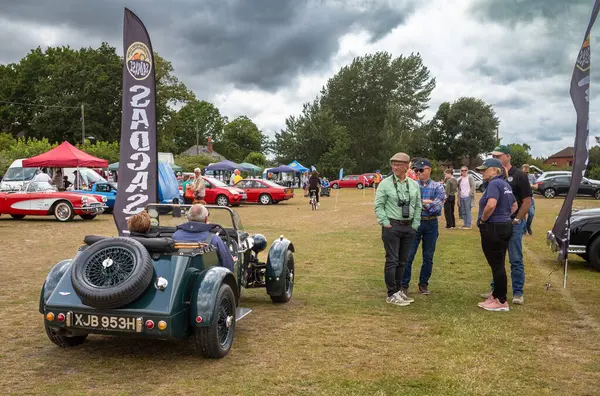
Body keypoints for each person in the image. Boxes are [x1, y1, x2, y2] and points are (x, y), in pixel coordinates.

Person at [482, 145, 532, 305]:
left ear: (508, 156)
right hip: (498, 223)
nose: (495, 158)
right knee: (498, 259)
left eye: (498, 155)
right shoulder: (494, 178)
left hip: (513, 223)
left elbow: (527, 201)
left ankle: (518, 292)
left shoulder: (519, 175)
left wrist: (517, 219)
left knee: (515, 257)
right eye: (493, 156)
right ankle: (495, 290)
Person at [374, 152, 421, 306]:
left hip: (409, 227)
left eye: (398, 165)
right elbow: (378, 205)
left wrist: (415, 224)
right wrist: (385, 222)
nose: (394, 167)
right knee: (392, 260)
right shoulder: (385, 183)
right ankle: (391, 293)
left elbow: (418, 205)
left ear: (407, 167)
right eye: (393, 164)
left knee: (403, 261)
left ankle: (400, 290)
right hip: (392, 226)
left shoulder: (413, 184)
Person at [476, 158, 518, 312]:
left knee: (497, 264)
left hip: (493, 226)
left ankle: (501, 300)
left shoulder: (494, 184)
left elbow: (491, 204)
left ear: (495, 170)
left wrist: (483, 219)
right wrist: (506, 216)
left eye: (484, 169)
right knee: (498, 263)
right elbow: (514, 205)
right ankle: (496, 295)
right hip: (505, 225)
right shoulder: (505, 184)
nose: (482, 172)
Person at [401, 158, 445, 296]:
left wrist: (420, 203)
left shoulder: (438, 186)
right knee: (408, 255)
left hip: (431, 224)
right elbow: (409, 203)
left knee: (428, 256)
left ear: (429, 170)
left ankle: (423, 284)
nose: (418, 172)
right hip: (415, 222)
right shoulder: (412, 185)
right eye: (416, 170)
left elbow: (437, 207)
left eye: (421, 170)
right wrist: (427, 202)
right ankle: (404, 284)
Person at [172, 204, 235, 271]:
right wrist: (232, 261)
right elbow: (228, 266)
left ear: (187, 218)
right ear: (206, 219)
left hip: (181, 274)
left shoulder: (175, 236)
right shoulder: (214, 239)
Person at [521, 164, 537, 235]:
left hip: (530, 198)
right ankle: (524, 230)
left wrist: (531, 186)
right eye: (525, 172)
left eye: (527, 172)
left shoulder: (532, 176)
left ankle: (528, 226)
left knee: (531, 213)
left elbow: (536, 187)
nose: (526, 174)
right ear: (522, 170)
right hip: (521, 198)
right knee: (523, 215)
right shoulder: (519, 177)